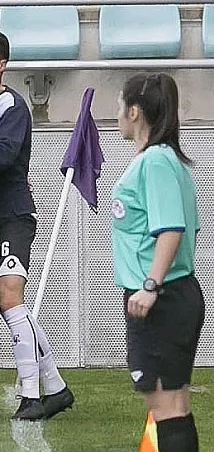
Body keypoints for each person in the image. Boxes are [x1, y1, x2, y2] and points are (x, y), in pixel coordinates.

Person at [0, 29, 73, 420]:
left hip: (12, 215)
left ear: (2, 65)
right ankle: (54, 386)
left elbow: (4, 156)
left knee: (9, 297)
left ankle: (31, 395)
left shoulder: (13, 106)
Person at [112, 73, 203, 452]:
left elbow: (170, 230)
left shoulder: (156, 162)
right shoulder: (163, 160)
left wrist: (150, 286)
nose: (116, 114)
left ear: (134, 111)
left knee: (166, 406)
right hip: (171, 295)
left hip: (161, 298)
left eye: (119, 106)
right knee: (173, 404)